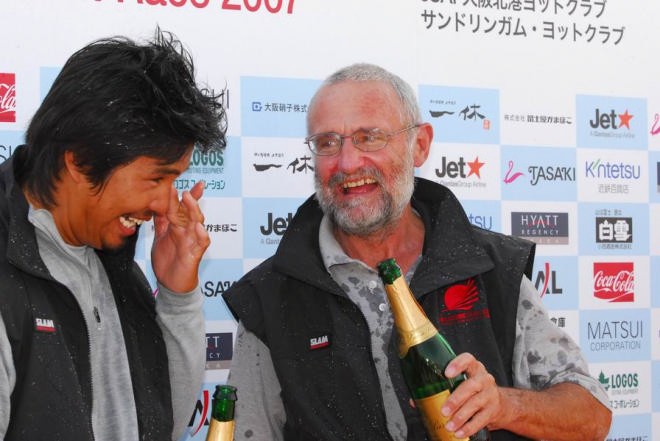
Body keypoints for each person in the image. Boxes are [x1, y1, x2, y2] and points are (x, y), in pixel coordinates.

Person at [222, 63, 612, 441]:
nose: (347, 162)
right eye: (327, 143)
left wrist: (503, 406)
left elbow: (592, 416)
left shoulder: (491, 267)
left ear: (419, 144)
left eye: (369, 137)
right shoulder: (270, 298)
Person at [0, 28, 227, 441]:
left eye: (174, 179)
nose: (164, 204)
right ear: (80, 161)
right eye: (156, 178)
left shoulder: (112, 254)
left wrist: (177, 296)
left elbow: (163, 424)